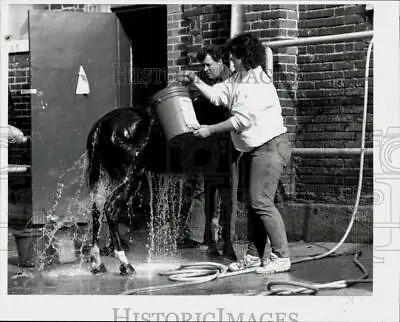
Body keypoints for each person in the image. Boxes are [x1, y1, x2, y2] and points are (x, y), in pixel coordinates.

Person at [179, 32, 292, 273]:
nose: (230, 60)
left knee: (261, 202)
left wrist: (210, 130)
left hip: (270, 146)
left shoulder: (256, 81)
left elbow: (241, 120)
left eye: (233, 56)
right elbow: (219, 95)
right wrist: (196, 81)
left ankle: (281, 257)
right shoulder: (240, 78)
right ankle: (253, 255)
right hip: (255, 148)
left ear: (244, 56)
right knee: (254, 204)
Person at [179, 45, 235, 255]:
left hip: (225, 144)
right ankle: (202, 237)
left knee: (223, 192)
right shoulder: (206, 78)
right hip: (204, 141)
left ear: (221, 62)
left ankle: (222, 239)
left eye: (209, 64)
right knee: (202, 189)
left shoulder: (230, 82)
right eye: (203, 65)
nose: (205, 69)